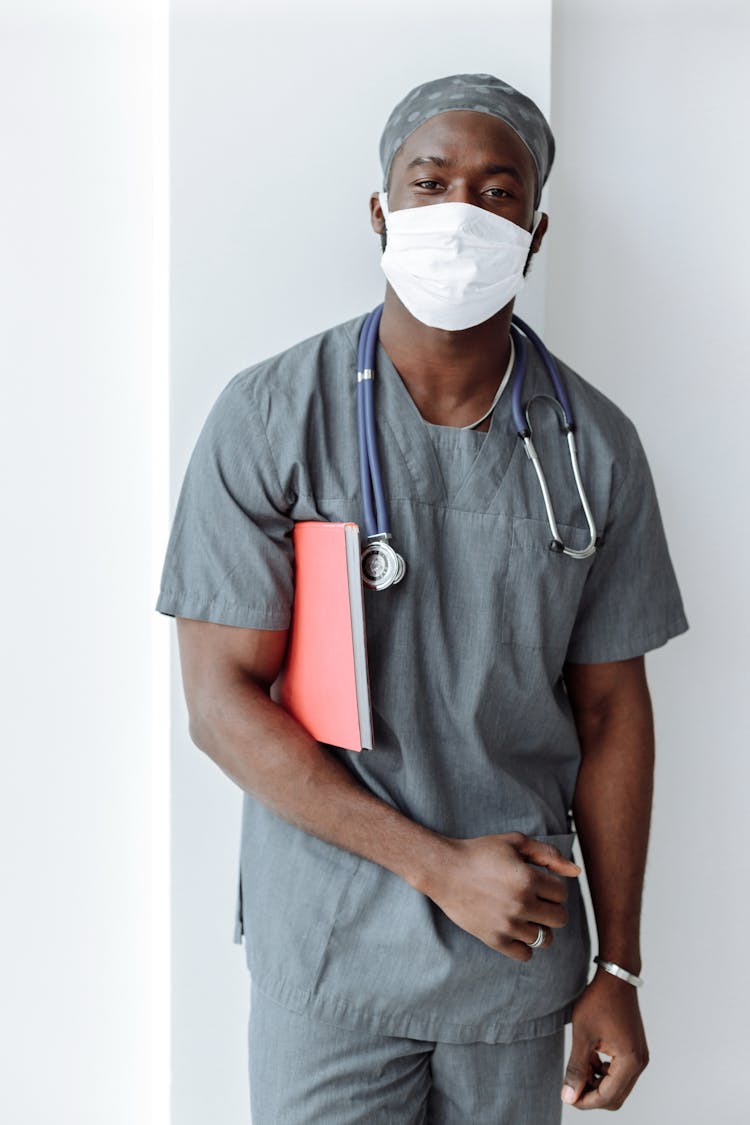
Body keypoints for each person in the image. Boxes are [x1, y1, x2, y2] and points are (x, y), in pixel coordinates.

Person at [156, 73, 688, 1123]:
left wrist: (618, 969)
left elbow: (613, 712)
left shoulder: (594, 448)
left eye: (496, 193)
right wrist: (436, 867)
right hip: (334, 943)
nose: (460, 214)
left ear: (534, 232)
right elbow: (222, 705)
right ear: (381, 210)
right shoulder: (272, 418)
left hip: (517, 946)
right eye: (430, 181)